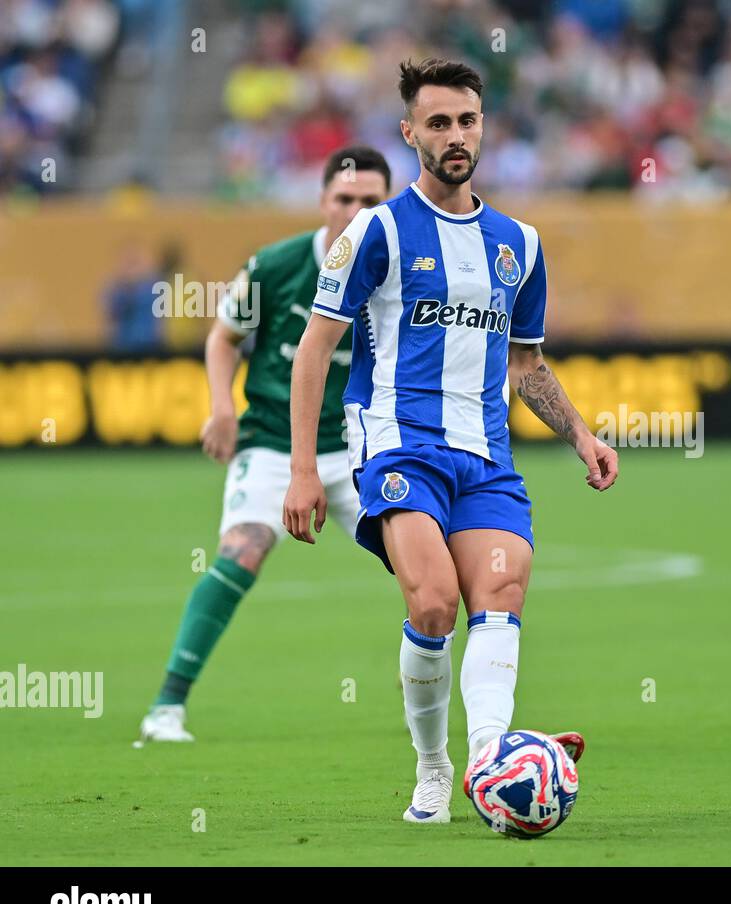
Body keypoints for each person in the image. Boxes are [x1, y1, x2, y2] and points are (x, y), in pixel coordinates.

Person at [283, 58, 619, 824]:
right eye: (438, 123)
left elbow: (526, 363)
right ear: (410, 134)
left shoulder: (520, 244)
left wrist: (579, 433)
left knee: (499, 595)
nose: (456, 135)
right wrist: (304, 470)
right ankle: (433, 766)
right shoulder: (375, 230)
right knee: (434, 605)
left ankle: (489, 762)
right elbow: (314, 349)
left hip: (485, 457)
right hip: (397, 446)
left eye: (467, 120)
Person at [138, 146, 391, 743]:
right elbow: (224, 338)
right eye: (345, 199)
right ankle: (166, 706)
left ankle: (478, 728)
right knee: (243, 550)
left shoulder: (403, 265)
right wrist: (222, 406)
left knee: (426, 572)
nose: (356, 212)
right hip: (276, 442)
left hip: (366, 447)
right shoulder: (276, 266)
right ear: (323, 202)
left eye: (371, 202)